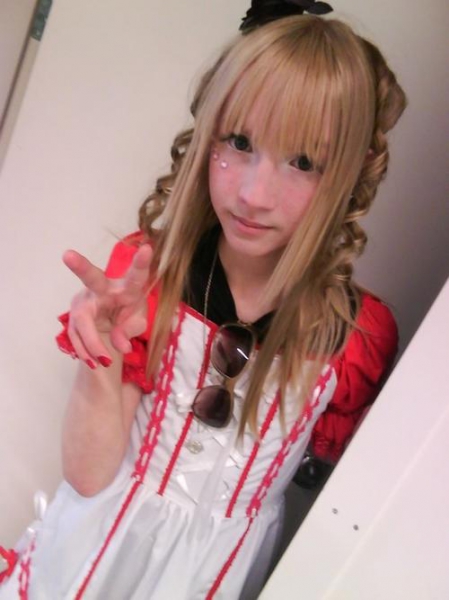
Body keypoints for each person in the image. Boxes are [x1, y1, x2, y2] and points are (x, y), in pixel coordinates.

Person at [0, 2, 407, 598]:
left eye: (303, 162)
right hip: (88, 560)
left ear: (349, 173)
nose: (254, 194)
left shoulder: (354, 338)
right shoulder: (151, 276)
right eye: (239, 142)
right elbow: (89, 478)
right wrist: (103, 356)